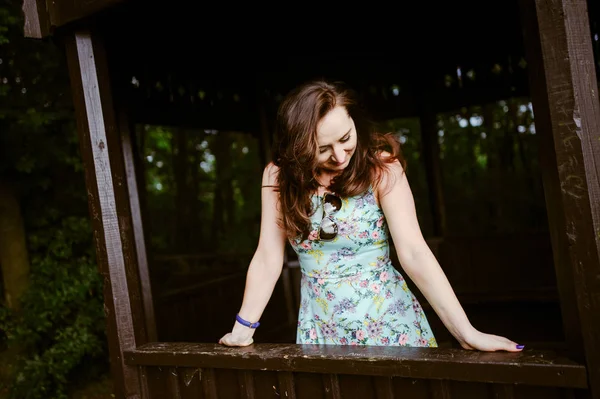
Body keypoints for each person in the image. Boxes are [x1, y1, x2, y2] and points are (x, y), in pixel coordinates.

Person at [219, 79, 524, 352]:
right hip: (320, 327)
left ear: (355, 123)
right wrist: (243, 329)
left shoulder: (382, 169)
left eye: (345, 138)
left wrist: (467, 333)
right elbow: (267, 258)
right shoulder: (278, 176)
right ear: (298, 146)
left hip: (389, 322)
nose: (339, 156)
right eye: (322, 148)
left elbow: (414, 253)